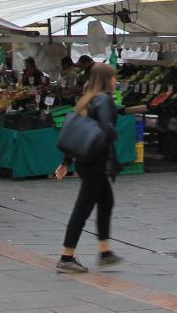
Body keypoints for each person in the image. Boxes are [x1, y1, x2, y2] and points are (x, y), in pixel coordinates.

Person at [53, 62, 123, 273]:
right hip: (95, 162)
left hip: (86, 161)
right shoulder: (103, 100)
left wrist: (66, 161)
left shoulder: (87, 98)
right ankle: (66, 256)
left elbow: (78, 131)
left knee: (106, 201)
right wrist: (113, 133)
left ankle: (105, 251)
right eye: (113, 77)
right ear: (106, 80)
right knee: (82, 209)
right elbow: (105, 128)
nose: (116, 81)